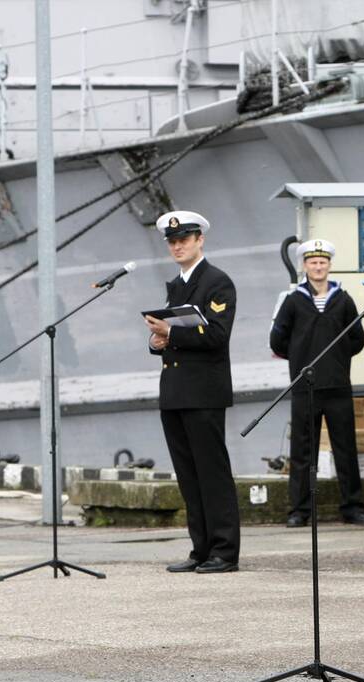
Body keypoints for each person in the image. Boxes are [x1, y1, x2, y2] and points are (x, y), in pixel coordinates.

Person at [144, 211, 241, 574]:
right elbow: (172, 339)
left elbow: (216, 335)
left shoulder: (218, 282)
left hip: (204, 392)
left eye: (184, 238)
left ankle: (224, 551)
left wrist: (171, 334)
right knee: (189, 474)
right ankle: (200, 547)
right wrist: (157, 341)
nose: (178, 245)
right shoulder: (176, 285)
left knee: (212, 472)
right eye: (172, 241)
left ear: (200, 239)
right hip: (175, 392)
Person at [269, 239, 364, 528]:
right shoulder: (293, 301)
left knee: (346, 450)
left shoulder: (343, 299)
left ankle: (353, 507)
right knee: (302, 451)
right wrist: (302, 357)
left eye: (322, 262)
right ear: (304, 266)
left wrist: (335, 360)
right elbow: (277, 340)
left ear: (329, 265)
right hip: (305, 387)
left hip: (338, 386)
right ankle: (299, 510)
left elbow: (357, 339)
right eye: (313, 262)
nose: (318, 267)